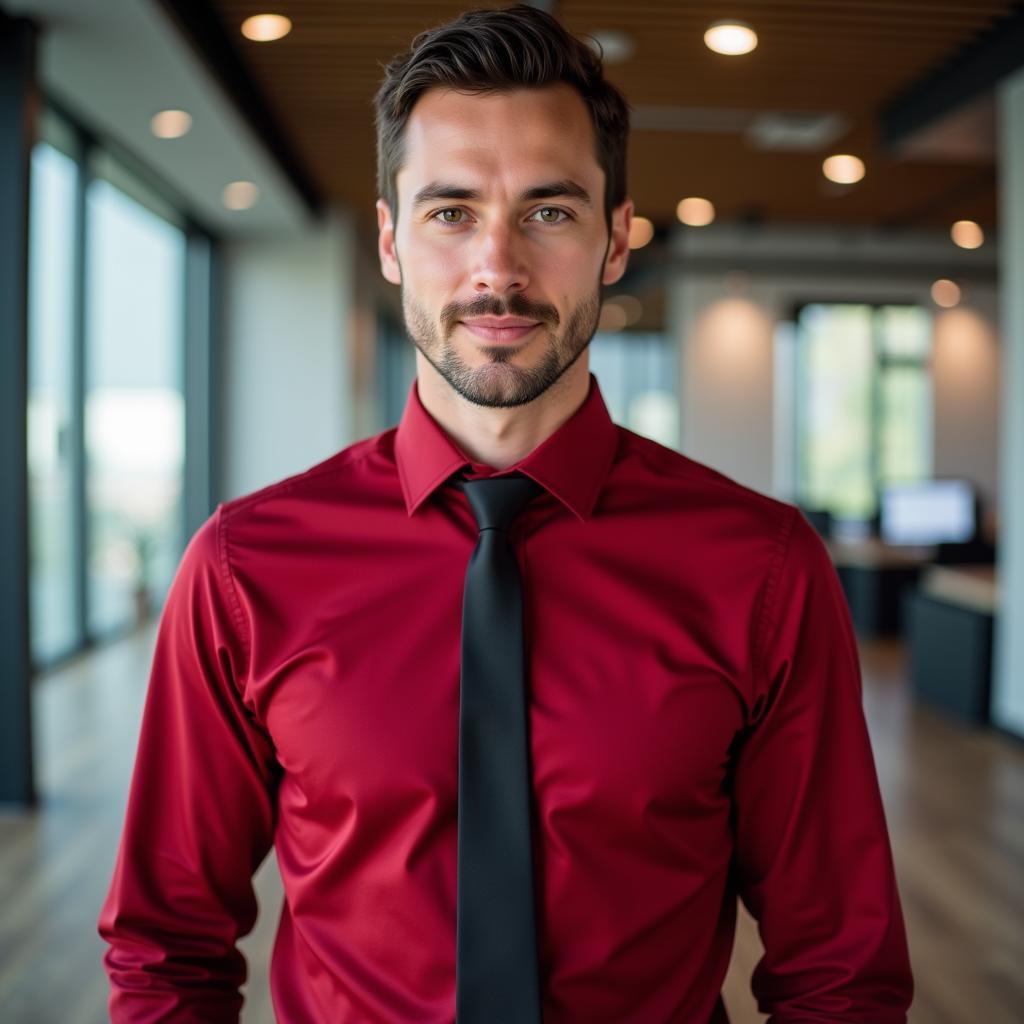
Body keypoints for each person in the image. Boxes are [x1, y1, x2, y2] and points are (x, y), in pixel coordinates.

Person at [98, 5, 914, 1022]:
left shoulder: (761, 568)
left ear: (616, 239)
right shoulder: (243, 566)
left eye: (548, 210)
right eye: (450, 212)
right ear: (391, 240)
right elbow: (166, 943)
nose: (497, 268)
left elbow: (838, 964)